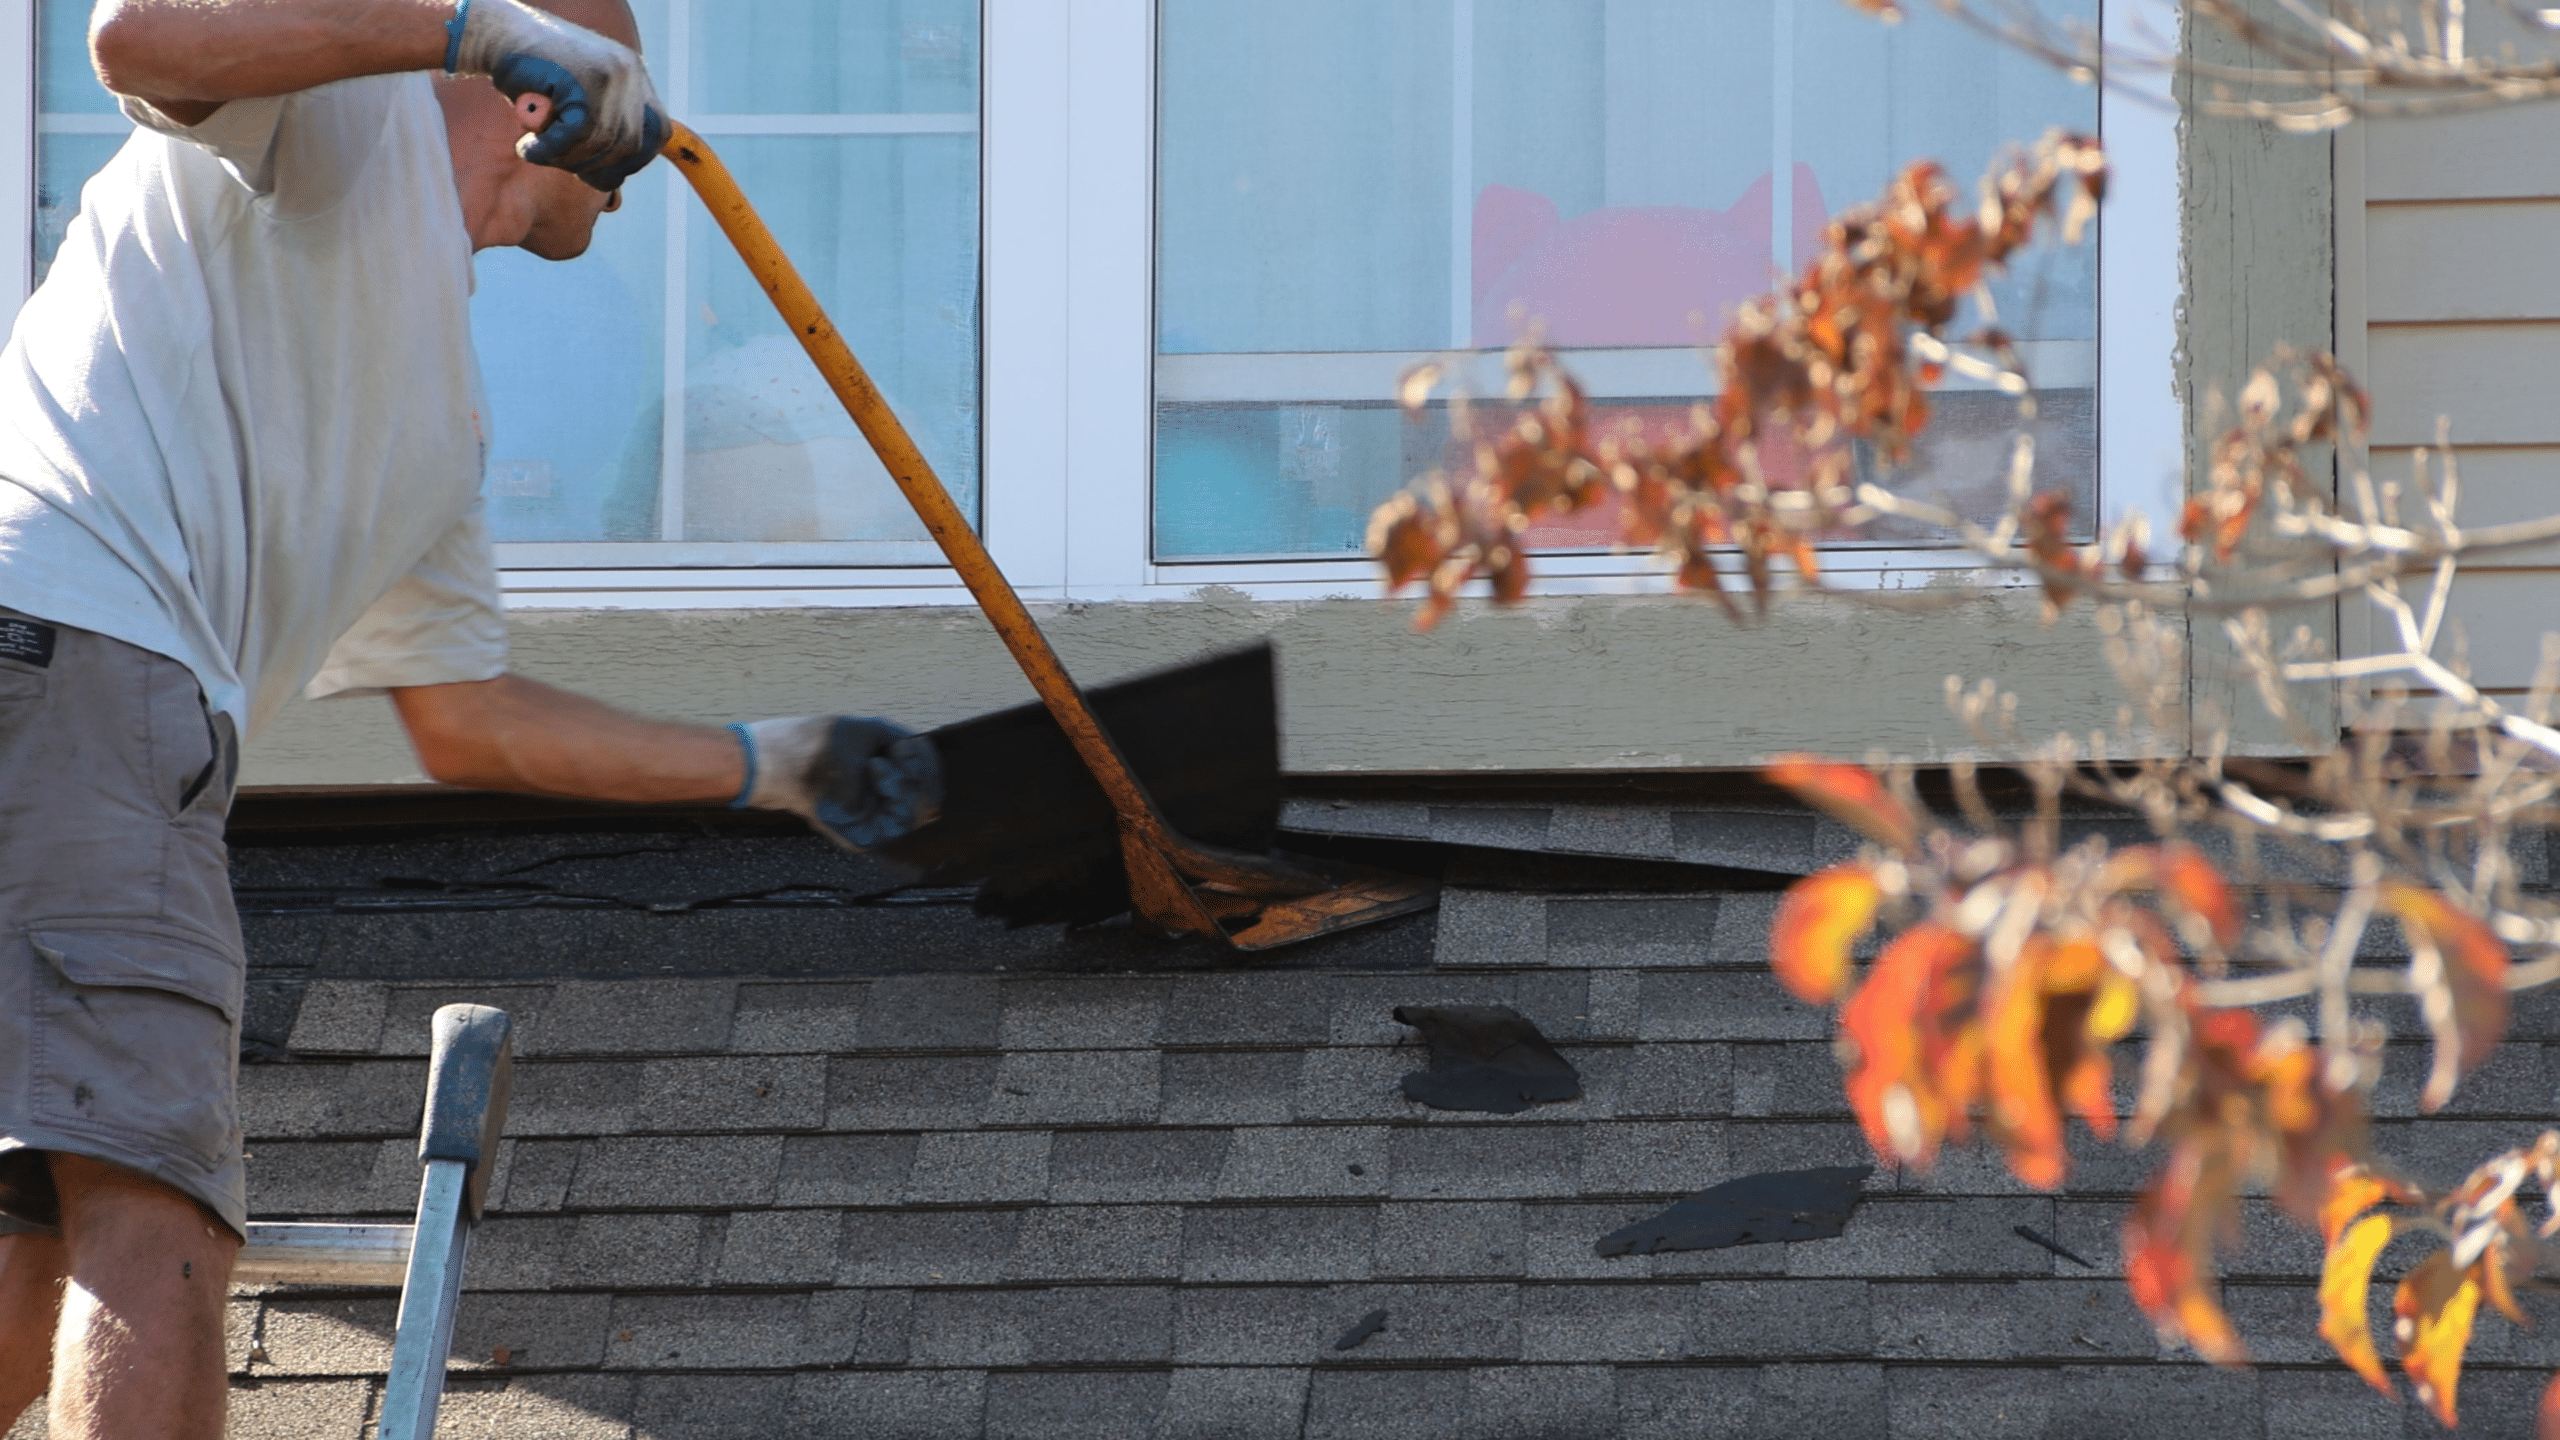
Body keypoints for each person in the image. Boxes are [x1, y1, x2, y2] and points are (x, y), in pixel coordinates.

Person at [0, 2, 939, 1434]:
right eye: (621, 100)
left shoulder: (439, 410)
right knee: (156, 1208)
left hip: (60, 703)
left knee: (32, 1226)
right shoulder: (334, 119)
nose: (629, 171)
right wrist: (473, 27)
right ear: (532, 93)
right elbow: (135, 39)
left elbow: (470, 723)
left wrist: (774, 763)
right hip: (87, 668)